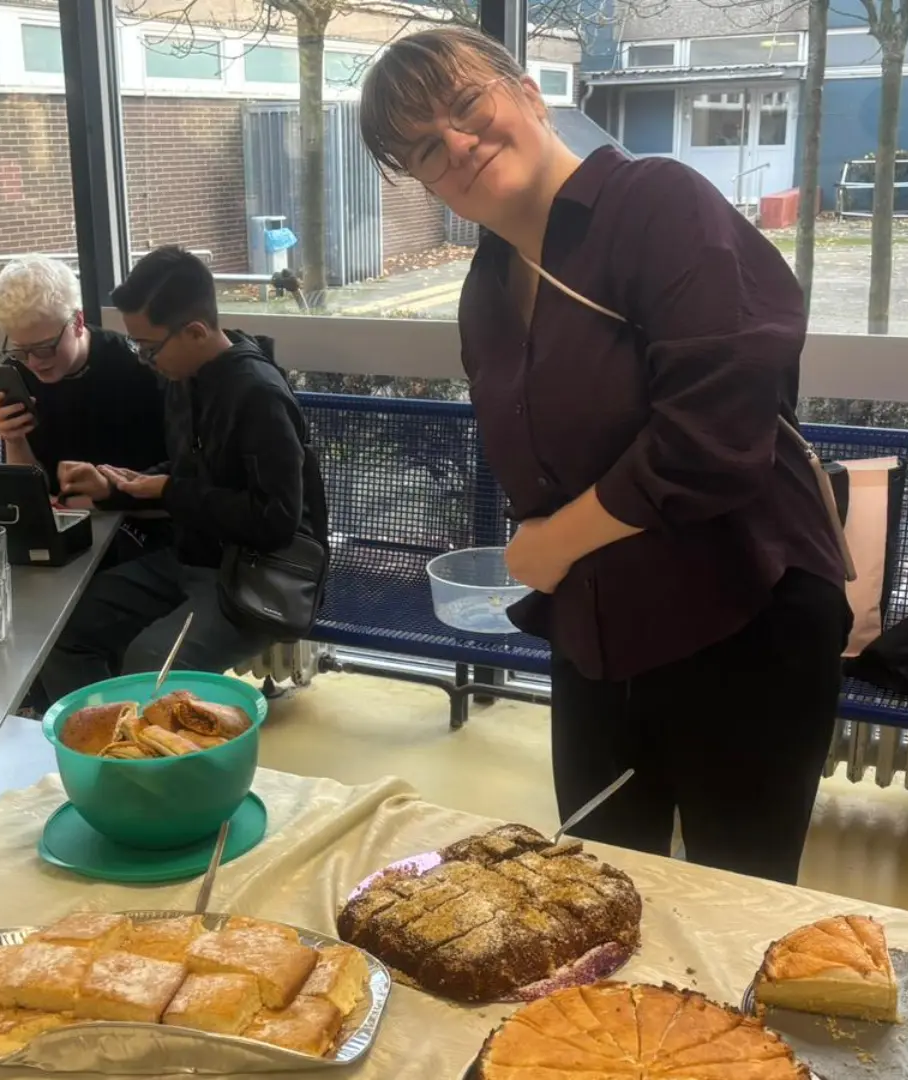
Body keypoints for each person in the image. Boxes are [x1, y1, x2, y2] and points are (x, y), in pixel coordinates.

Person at [358, 28, 850, 884]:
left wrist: (553, 545)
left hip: (741, 619)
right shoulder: (486, 289)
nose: (458, 145)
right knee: (599, 885)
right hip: (598, 638)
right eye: (425, 149)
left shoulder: (657, 205)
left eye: (467, 106)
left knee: (737, 897)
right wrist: (547, 546)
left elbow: (713, 438)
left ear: (530, 94)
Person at [37, 247, 327, 702]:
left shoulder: (258, 396)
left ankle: (144, 755)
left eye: (148, 348)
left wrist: (170, 490)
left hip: (254, 577)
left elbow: (275, 520)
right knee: (62, 636)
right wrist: (112, 488)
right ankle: (109, 750)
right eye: (136, 345)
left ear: (194, 331)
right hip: (193, 559)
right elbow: (188, 470)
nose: (142, 359)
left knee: (152, 666)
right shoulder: (185, 378)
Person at [0, 254, 170, 564]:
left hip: (135, 526)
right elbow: (29, 492)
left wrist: (106, 496)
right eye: (20, 349)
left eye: (44, 347)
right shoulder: (18, 374)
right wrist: (13, 440)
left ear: (78, 322)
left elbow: (174, 482)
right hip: (61, 525)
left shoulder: (134, 369)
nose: (34, 362)